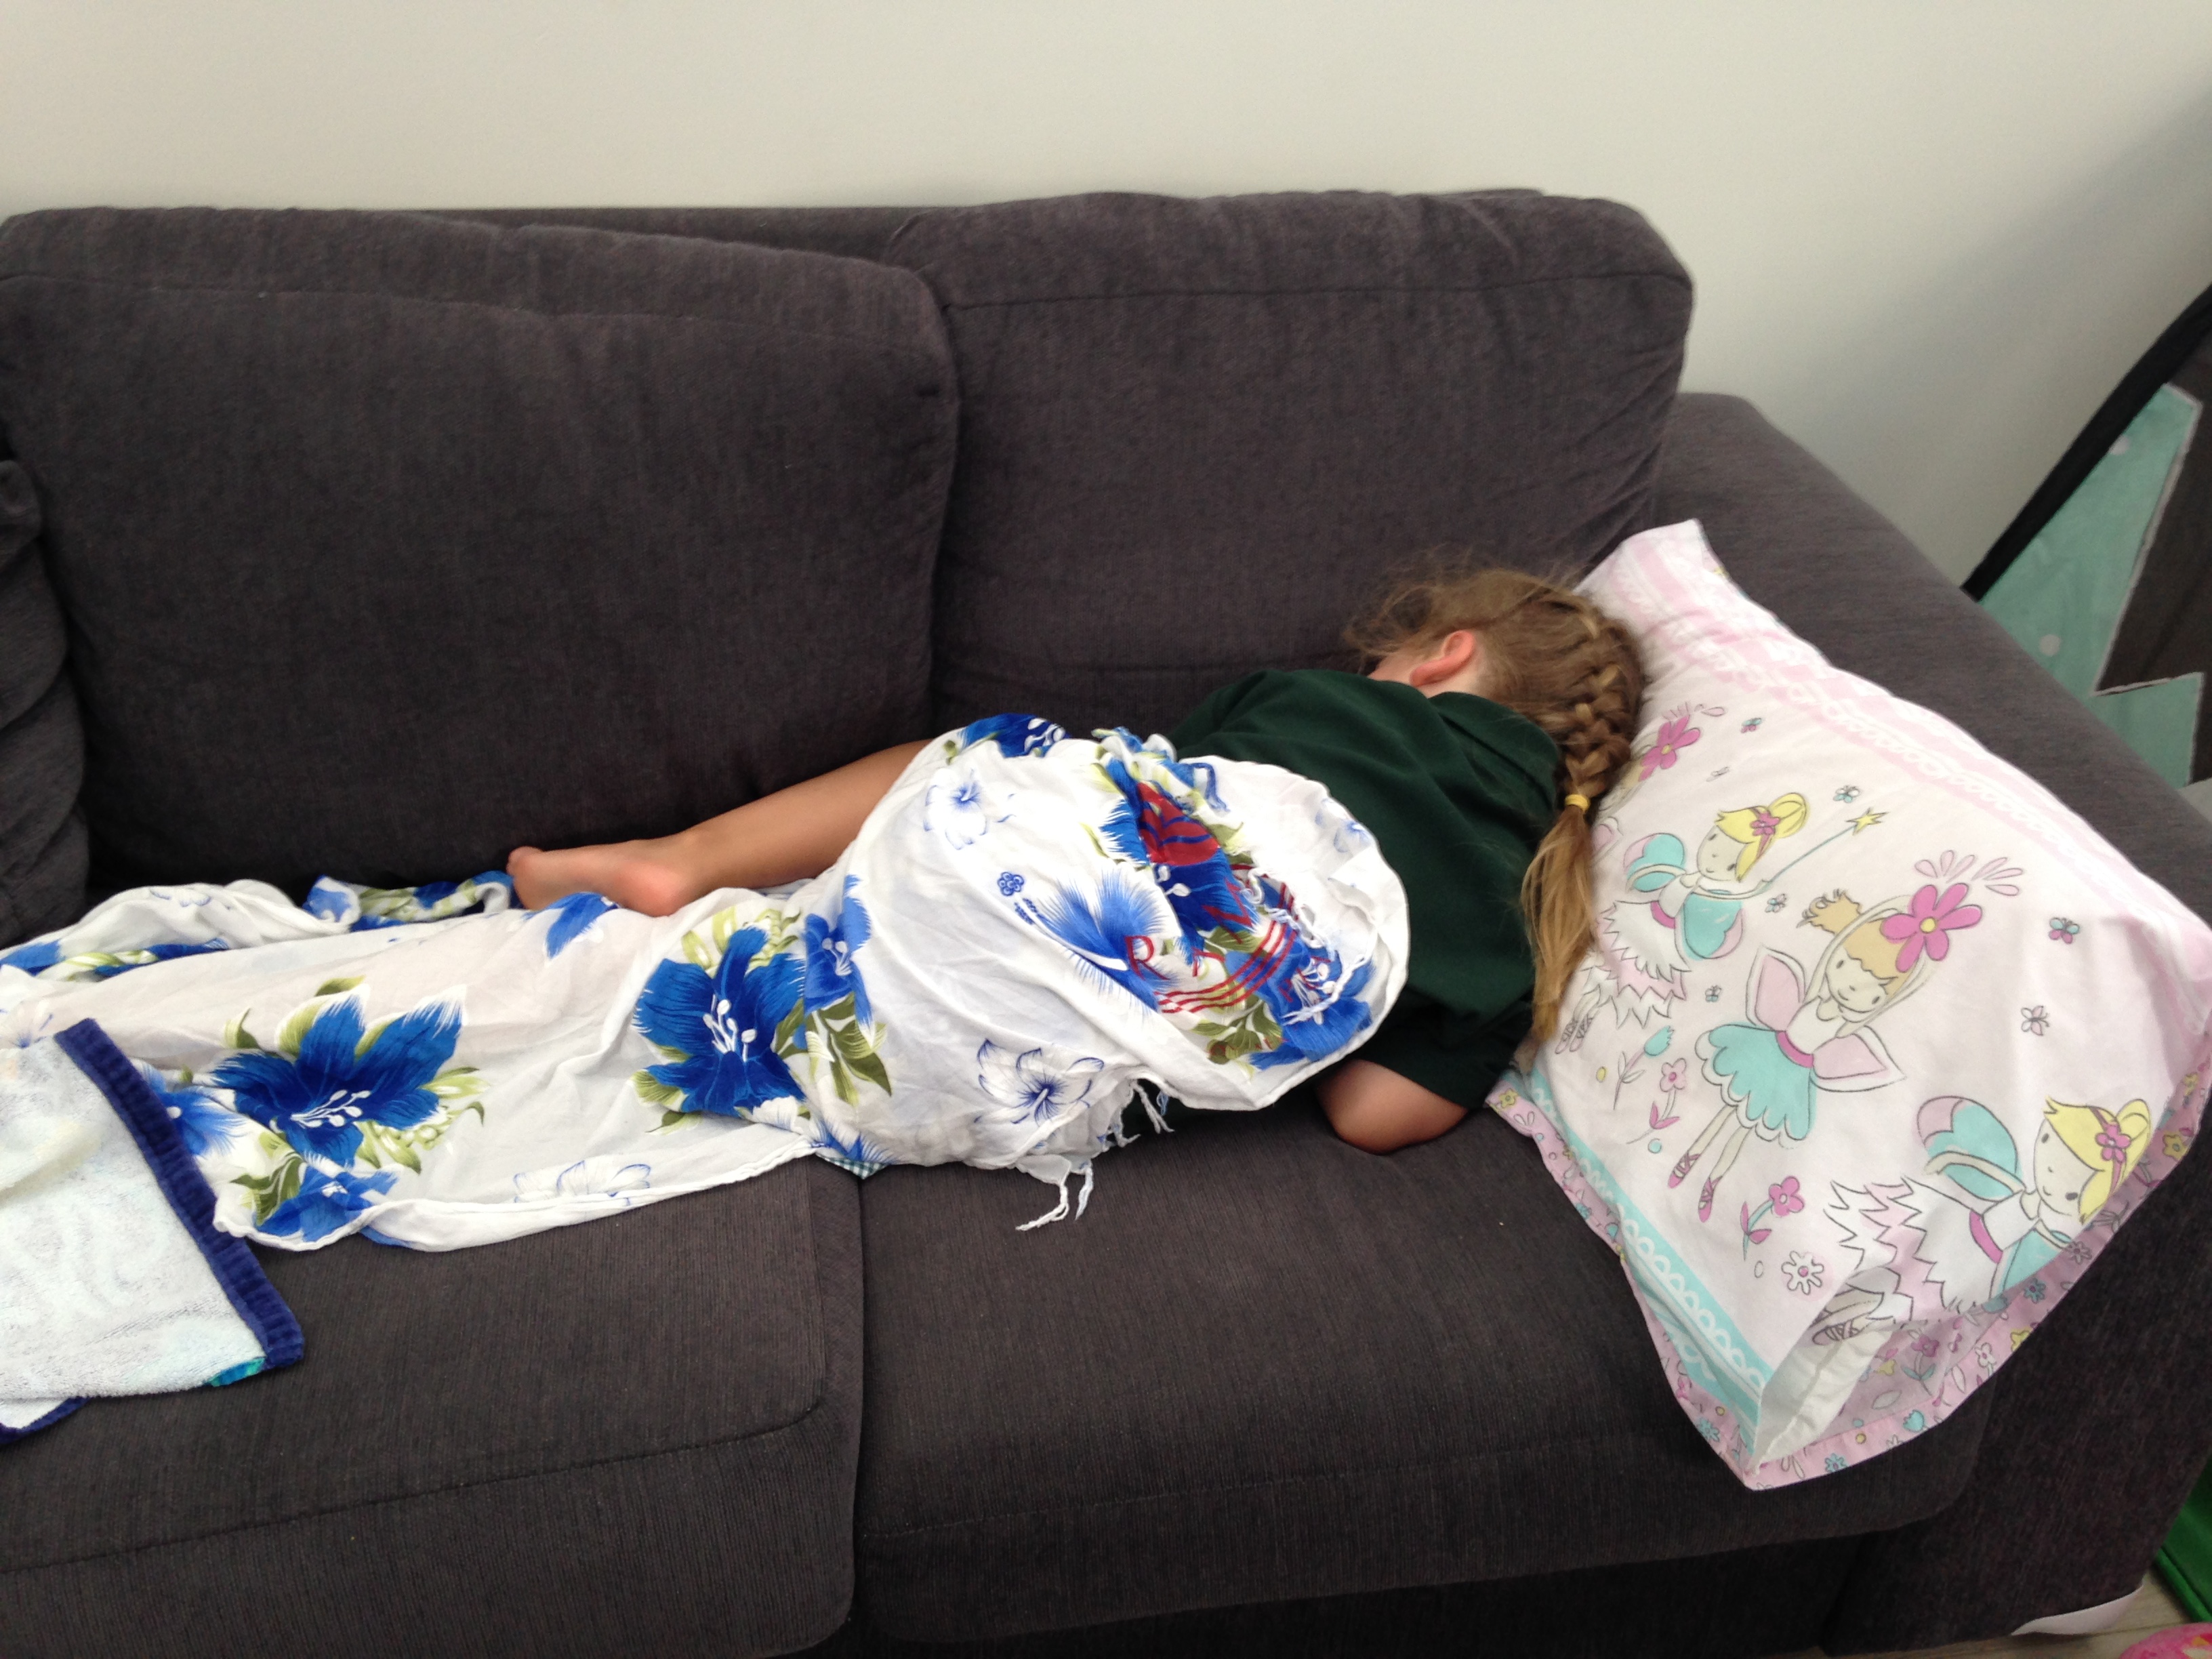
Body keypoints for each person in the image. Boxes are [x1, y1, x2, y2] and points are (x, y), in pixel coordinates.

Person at [510, 567, 1645, 1158]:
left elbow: (1148, 789)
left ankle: (683, 859)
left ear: (1444, 655)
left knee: (983, 760)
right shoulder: (1519, 916)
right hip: (1019, 1060)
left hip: (982, 867)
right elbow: (1370, 1116)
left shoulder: (1320, 705)